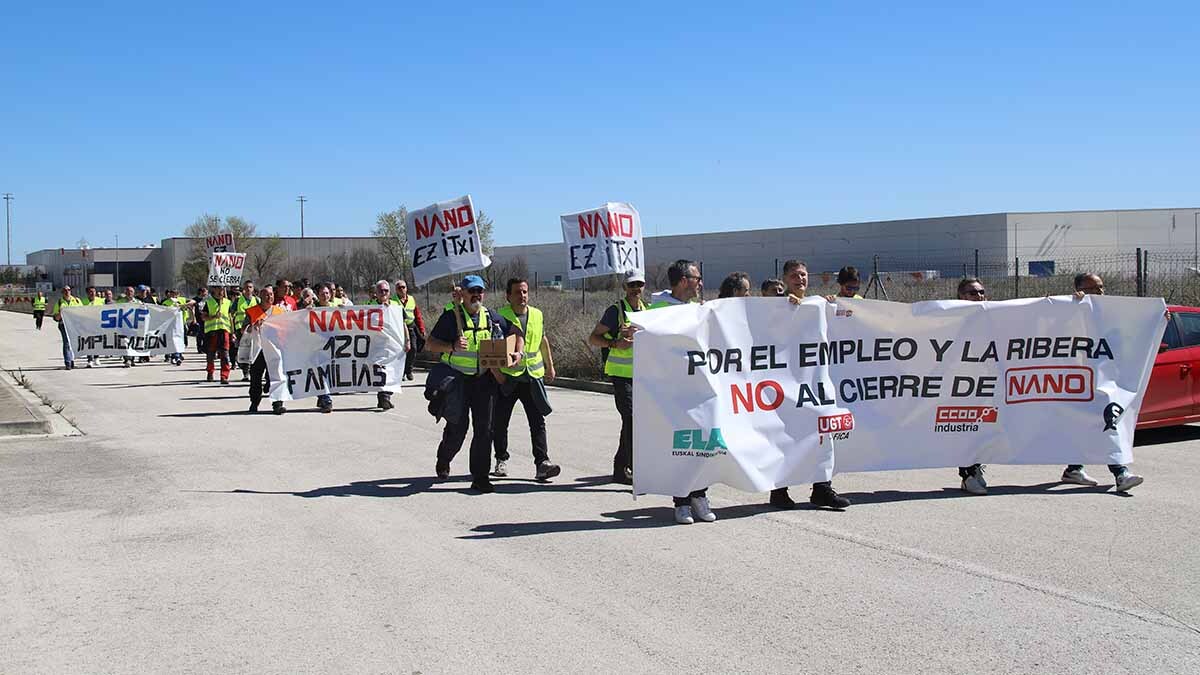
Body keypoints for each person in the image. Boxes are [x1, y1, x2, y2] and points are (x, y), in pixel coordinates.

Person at [426, 274, 524, 493]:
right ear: (463, 293)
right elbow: (430, 344)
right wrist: (451, 346)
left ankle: (480, 477)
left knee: (484, 430)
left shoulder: (492, 317)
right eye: (472, 291)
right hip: (457, 381)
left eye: (479, 291)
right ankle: (444, 458)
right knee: (458, 430)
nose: (476, 295)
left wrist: (518, 350)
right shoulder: (452, 317)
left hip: (484, 381)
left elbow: (517, 332)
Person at [777, 259, 852, 509]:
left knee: (824, 432)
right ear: (785, 279)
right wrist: (784, 306)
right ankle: (779, 490)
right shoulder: (776, 306)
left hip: (816, 382)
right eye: (795, 275)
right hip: (786, 382)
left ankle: (822, 488)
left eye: (804, 274)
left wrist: (832, 305)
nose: (801, 279)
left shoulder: (818, 304)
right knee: (785, 435)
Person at [1058, 273, 1144, 492]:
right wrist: (1071, 305)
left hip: (1104, 381)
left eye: (1101, 288)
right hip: (1077, 382)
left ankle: (1107, 471)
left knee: (1107, 423)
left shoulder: (1110, 313)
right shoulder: (1070, 310)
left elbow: (1135, 329)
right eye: (1093, 289)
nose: (1100, 293)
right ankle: (1116, 473)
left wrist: (1158, 319)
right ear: (1080, 290)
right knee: (1093, 425)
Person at [650, 260, 717, 525]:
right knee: (681, 444)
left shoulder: (697, 310)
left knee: (704, 441)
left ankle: (700, 495)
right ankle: (681, 501)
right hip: (671, 391)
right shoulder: (658, 309)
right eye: (696, 278)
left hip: (699, 388)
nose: (700, 283)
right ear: (682, 280)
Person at [492, 277, 561, 482]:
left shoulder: (537, 314)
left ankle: (542, 463)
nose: (522, 296)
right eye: (517, 292)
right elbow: (492, 348)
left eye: (524, 292)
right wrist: (498, 374)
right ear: (508, 295)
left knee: (537, 421)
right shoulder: (499, 316)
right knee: (500, 421)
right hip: (509, 378)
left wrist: (550, 365)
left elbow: (542, 340)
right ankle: (500, 459)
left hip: (532, 376)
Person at [588, 270, 649, 485]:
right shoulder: (615, 311)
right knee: (631, 418)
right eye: (632, 285)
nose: (636, 289)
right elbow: (593, 338)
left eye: (639, 285)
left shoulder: (648, 311)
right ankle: (635, 468)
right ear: (624, 287)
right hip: (621, 375)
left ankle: (619, 467)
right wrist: (615, 343)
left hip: (642, 377)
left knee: (633, 422)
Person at [955, 277, 990, 495]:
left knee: (982, 427)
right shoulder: (950, 315)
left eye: (980, 292)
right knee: (963, 427)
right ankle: (966, 474)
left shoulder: (992, 313)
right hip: (959, 382)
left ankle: (976, 468)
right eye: (971, 293)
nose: (977, 296)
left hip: (985, 381)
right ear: (960, 296)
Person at [246, 285, 287, 414]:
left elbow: (287, 328)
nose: (269, 298)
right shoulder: (252, 311)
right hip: (258, 349)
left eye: (271, 295)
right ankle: (254, 401)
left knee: (277, 375)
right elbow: (243, 329)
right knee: (256, 377)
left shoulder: (280, 311)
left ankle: (277, 403)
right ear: (260, 297)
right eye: (266, 295)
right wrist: (252, 326)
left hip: (275, 349)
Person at [366, 280, 400, 410]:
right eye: (381, 291)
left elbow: (402, 324)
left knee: (392, 370)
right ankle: (384, 396)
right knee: (382, 370)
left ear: (389, 292)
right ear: (376, 293)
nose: (383, 293)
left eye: (386, 291)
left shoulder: (396, 305)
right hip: (377, 344)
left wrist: (407, 340)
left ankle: (385, 396)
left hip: (394, 344)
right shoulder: (370, 306)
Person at [393, 279, 425, 381]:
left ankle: (409, 370)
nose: (402, 289)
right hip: (398, 328)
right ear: (396, 290)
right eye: (399, 288)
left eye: (403, 287)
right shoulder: (392, 301)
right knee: (400, 351)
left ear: (406, 288)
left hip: (411, 326)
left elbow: (417, 315)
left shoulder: (411, 299)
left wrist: (421, 328)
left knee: (413, 348)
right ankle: (401, 372)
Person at [201, 285, 233, 384]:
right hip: (212, 332)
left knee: (225, 354)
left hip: (224, 331)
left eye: (223, 289)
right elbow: (203, 317)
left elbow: (230, 317)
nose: (221, 291)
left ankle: (224, 376)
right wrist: (214, 317)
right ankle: (210, 372)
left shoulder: (227, 302)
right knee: (211, 354)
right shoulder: (209, 302)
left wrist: (232, 332)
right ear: (214, 290)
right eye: (219, 289)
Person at [231, 281, 259, 381]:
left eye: (250, 287)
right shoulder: (238, 300)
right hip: (240, 329)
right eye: (246, 287)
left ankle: (250, 372)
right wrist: (232, 330)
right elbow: (231, 314)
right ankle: (245, 371)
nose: (248, 289)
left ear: (253, 289)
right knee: (242, 350)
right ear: (243, 289)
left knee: (253, 350)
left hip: (254, 329)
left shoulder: (257, 300)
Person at [52, 286, 83, 369]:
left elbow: (82, 312)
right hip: (64, 325)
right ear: (62, 292)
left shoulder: (77, 301)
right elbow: (55, 317)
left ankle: (72, 360)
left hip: (75, 325)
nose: (67, 292)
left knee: (73, 343)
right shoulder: (59, 302)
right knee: (66, 343)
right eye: (65, 290)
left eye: (68, 290)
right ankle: (68, 362)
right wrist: (60, 313)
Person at [160, 289, 188, 366]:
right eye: (172, 294)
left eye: (176, 294)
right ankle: (174, 356)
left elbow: (193, 302)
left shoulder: (182, 300)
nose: (174, 296)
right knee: (172, 340)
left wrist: (183, 305)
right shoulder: (166, 302)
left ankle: (178, 355)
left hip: (181, 324)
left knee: (180, 340)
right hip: (170, 324)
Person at [115, 286, 141, 367]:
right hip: (123, 325)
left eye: (131, 291)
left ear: (134, 293)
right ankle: (127, 359)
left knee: (133, 342)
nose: (129, 293)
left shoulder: (138, 302)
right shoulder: (120, 302)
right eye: (128, 291)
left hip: (134, 326)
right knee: (125, 342)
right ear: (125, 293)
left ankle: (132, 359)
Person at [83, 286, 105, 368]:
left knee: (97, 341)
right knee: (88, 342)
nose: (92, 293)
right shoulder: (83, 301)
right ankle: (89, 360)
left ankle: (97, 357)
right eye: (90, 292)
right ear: (87, 293)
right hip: (87, 325)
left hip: (98, 324)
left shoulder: (100, 301)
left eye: (94, 291)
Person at [191, 287, 209, 354]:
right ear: (201, 292)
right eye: (205, 292)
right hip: (198, 319)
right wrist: (194, 319)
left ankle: (205, 347)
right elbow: (192, 310)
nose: (206, 294)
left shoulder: (207, 300)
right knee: (199, 334)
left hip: (206, 319)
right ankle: (199, 347)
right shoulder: (195, 300)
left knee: (206, 333)